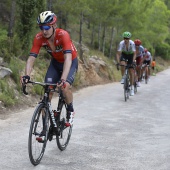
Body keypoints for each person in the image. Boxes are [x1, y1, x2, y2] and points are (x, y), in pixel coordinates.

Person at [21, 11, 78, 127]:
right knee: (47, 93)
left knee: (65, 87)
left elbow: (68, 58)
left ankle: (70, 110)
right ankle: (45, 128)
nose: (44, 31)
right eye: (41, 27)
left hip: (70, 62)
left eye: (47, 27)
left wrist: (62, 79)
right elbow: (31, 58)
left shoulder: (63, 35)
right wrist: (27, 75)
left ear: (54, 26)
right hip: (56, 64)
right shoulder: (39, 38)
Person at [116, 31, 136, 96]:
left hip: (131, 55)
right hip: (124, 54)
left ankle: (132, 88)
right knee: (122, 64)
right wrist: (118, 62)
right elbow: (118, 54)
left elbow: (135, 53)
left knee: (131, 71)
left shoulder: (132, 43)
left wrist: (133, 61)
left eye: (127, 38)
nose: (125, 40)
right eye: (124, 38)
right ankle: (123, 77)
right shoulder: (121, 43)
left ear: (129, 39)